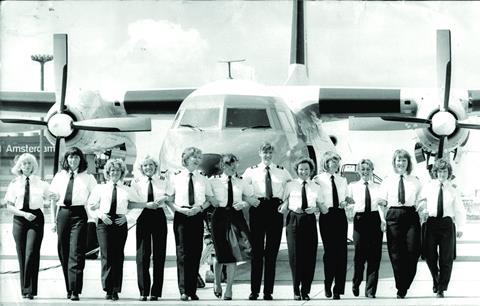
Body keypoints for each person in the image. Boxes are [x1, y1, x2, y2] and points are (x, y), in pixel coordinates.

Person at [242, 142, 292, 301]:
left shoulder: (282, 172)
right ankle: (254, 291)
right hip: (258, 208)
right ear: (259, 153)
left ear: (273, 154)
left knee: (271, 253)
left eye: (270, 153)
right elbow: (241, 190)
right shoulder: (250, 172)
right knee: (257, 252)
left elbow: (293, 190)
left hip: (275, 210)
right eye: (265, 152)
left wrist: (286, 204)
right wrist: (250, 199)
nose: (268, 155)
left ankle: (268, 291)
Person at [166, 147, 215, 301]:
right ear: (186, 159)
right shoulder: (175, 177)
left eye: (199, 157)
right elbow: (169, 199)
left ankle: (192, 290)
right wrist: (178, 210)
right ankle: (183, 290)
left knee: (195, 253)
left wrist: (200, 208)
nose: (197, 159)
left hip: (196, 215)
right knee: (182, 254)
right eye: (194, 156)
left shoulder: (203, 178)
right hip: (181, 215)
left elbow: (209, 199)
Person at [88, 158, 141, 301]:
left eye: (117, 170)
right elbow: (91, 205)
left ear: (122, 173)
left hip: (119, 222)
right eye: (112, 170)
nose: (114, 173)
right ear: (107, 172)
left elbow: (138, 206)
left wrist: (128, 218)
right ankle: (107, 288)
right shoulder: (100, 188)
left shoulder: (127, 189)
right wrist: (100, 215)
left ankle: (116, 289)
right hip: (104, 222)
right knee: (106, 254)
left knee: (118, 255)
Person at [49, 147, 97, 301]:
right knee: (63, 251)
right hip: (62, 214)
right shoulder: (59, 176)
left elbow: (96, 198)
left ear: (80, 160)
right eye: (70, 158)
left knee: (76, 251)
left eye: (76, 157)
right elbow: (53, 199)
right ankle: (69, 287)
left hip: (79, 215)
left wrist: (95, 216)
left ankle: (75, 290)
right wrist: (52, 220)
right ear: (66, 160)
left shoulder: (88, 178)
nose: (73, 160)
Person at [209, 153, 257, 300]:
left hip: (236, 216)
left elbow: (251, 197)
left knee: (233, 254)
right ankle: (217, 282)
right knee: (218, 254)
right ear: (223, 166)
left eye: (235, 164)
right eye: (230, 164)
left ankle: (229, 289)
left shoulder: (241, 182)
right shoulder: (213, 181)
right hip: (219, 217)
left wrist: (244, 203)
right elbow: (207, 197)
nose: (233, 167)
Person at [3, 153, 49, 300]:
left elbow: (52, 195)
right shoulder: (14, 183)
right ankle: (24, 289)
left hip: (35, 219)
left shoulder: (41, 182)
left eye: (29, 163)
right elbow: (9, 206)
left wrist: (55, 196)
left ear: (33, 166)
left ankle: (30, 290)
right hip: (19, 219)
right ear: (20, 166)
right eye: (24, 163)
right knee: (22, 254)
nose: (27, 166)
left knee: (32, 253)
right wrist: (23, 214)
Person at [279, 157, 325, 301]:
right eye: (300, 169)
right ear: (297, 171)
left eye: (306, 169)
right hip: (294, 220)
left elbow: (323, 207)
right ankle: (296, 289)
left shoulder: (316, 186)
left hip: (309, 220)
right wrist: (290, 206)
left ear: (311, 170)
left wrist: (315, 208)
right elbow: (283, 202)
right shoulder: (290, 185)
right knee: (295, 256)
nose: (303, 172)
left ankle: (306, 290)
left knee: (309, 257)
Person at [378, 149, 422, 298]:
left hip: (411, 215)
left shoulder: (415, 180)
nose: (401, 163)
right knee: (396, 254)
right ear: (394, 162)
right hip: (393, 215)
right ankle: (400, 287)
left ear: (408, 163)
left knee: (413, 251)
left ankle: (405, 282)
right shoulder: (387, 180)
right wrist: (383, 219)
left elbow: (422, 199)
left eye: (404, 160)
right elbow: (380, 202)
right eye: (398, 160)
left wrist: (422, 208)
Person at [419, 158, 466, 298]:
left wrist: (460, 227)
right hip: (431, 223)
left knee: (446, 258)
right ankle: (436, 279)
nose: (442, 174)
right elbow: (420, 202)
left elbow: (459, 209)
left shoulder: (453, 189)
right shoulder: (428, 187)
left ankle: (441, 288)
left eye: (445, 171)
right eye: (440, 171)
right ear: (436, 172)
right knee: (429, 255)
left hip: (446, 224)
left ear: (448, 173)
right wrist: (423, 209)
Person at [130, 155, 169, 301]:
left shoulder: (163, 181)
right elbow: (131, 202)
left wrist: (164, 198)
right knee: (142, 254)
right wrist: (145, 205)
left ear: (155, 167)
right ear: (141, 168)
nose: (148, 168)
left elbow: (171, 195)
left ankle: (156, 291)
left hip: (159, 215)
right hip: (143, 214)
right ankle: (143, 291)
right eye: (145, 166)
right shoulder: (136, 183)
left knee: (159, 254)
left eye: (151, 165)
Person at [313, 151, 349, 300]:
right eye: (331, 161)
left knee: (342, 252)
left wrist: (345, 202)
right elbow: (314, 196)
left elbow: (344, 196)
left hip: (340, 215)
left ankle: (338, 289)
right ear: (326, 163)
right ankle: (328, 283)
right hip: (326, 215)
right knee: (330, 253)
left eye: (336, 161)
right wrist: (321, 207)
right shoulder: (318, 179)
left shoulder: (342, 180)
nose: (334, 164)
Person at [348, 159, 385, 298]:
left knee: (374, 257)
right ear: (359, 171)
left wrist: (383, 221)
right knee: (359, 256)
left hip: (374, 220)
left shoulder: (378, 187)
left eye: (368, 169)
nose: (365, 172)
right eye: (363, 169)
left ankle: (370, 290)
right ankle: (356, 282)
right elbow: (348, 204)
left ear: (372, 171)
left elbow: (381, 206)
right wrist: (349, 210)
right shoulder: (352, 186)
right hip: (360, 221)